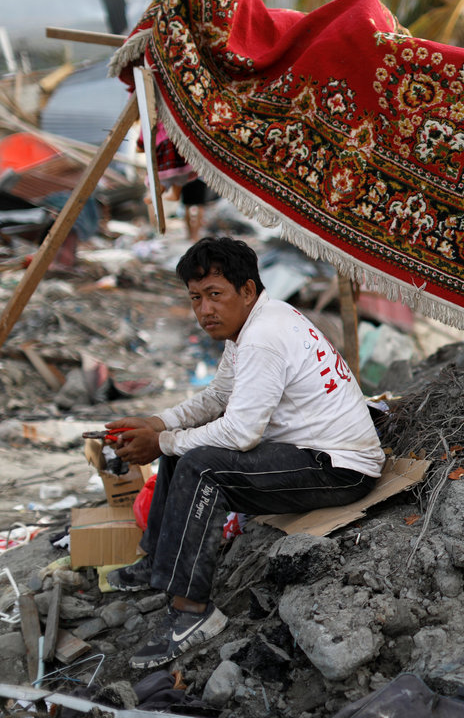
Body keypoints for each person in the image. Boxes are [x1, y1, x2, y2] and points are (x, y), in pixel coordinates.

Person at [105, 236, 384, 669]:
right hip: (310, 453)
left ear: (248, 290)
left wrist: (160, 442)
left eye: (215, 295)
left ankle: (193, 612)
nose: (204, 310)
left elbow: (240, 434)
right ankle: (158, 562)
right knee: (183, 442)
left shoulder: (261, 337)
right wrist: (159, 423)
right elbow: (219, 395)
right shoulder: (252, 326)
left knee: (201, 465)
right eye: (196, 298)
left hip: (338, 468)